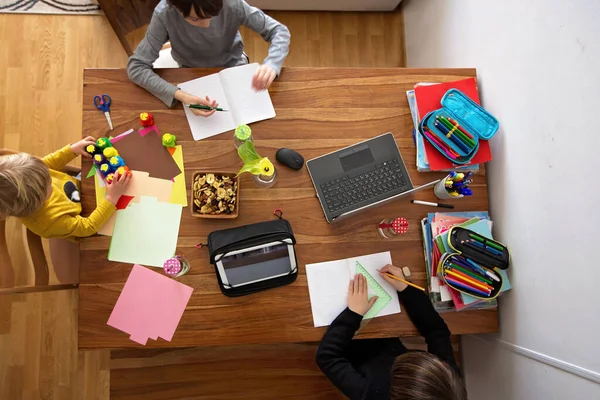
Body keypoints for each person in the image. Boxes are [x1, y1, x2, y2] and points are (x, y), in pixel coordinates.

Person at [316, 264, 468, 400]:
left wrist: (353, 314)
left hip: (350, 352)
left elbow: (327, 357)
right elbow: (437, 331)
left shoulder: (372, 393)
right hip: (386, 342)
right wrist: (406, 289)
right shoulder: (445, 380)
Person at [127, 0, 291, 117]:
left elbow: (279, 32)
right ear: (175, 7)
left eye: (212, 15)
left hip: (234, 65)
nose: (206, 24)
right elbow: (136, 67)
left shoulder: (232, 4)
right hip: (190, 72)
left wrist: (272, 64)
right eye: (194, 19)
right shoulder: (164, 14)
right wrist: (181, 95)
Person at [0, 137, 131, 240]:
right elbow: (88, 227)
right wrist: (111, 197)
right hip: (85, 216)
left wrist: (72, 150)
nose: (50, 177)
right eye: (48, 182)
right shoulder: (51, 222)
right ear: (39, 200)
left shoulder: (32, 179)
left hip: (82, 186)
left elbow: (48, 163)